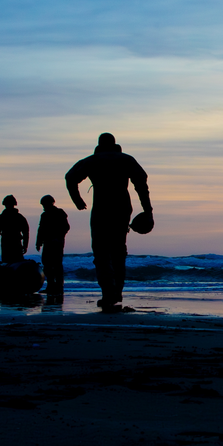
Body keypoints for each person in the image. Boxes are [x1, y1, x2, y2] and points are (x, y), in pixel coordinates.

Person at [66, 133, 152, 313]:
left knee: (102, 252)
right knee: (118, 251)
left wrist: (77, 199)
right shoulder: (126, 159)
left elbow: (70, 177)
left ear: (99, 144)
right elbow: (141, 184)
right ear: (115, 144)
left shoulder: (92, 160)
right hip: (122, 208)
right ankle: (117, 293)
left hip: (102, 208)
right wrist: (147, 210)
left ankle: (108, 293)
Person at [36, 195, 70, 300]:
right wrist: (39, 242)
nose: (43, 207)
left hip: (56, 243)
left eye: (44, 204)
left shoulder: (59, 213)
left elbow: (66, 227)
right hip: (48, 243)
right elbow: (41, 229)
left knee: (57, 265)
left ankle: (59, 287)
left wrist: (58, 237)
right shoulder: (44, 215)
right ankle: (51, 286)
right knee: (47, 264)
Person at [0, 195, 29, 264]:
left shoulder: (2, 217)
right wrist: (25, 246)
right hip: (10, 244)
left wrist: (25, 245)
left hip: (13, 244)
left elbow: (26, 232)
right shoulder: (19, 217)